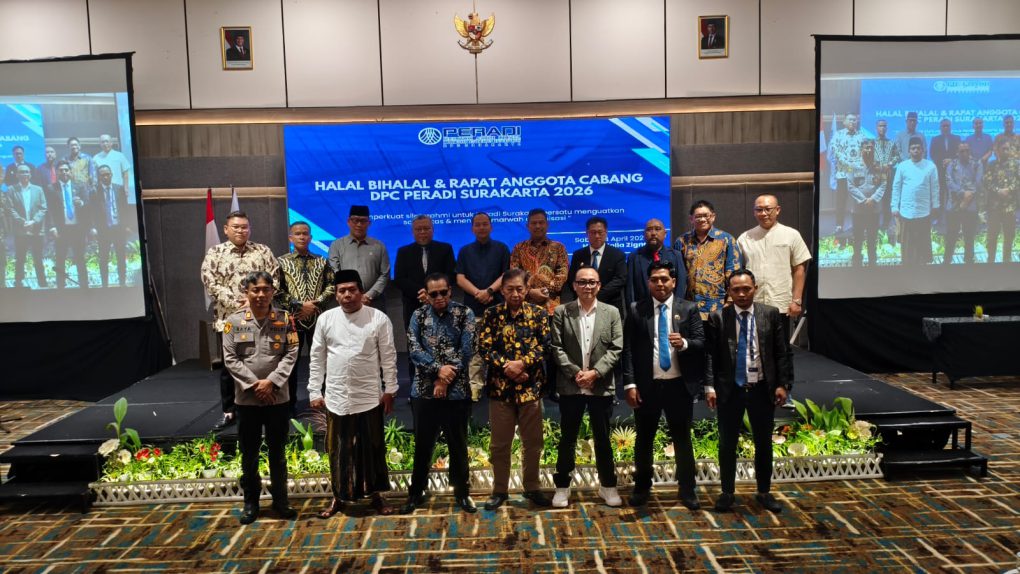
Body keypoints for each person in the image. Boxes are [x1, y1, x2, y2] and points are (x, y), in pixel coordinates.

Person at [309, 269, 399, 518]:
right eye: (342, 291)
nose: (347, 295)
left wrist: (390, 389)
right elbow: (317, 358)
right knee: (338, 450)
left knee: (372, 448)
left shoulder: (378, 318)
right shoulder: (326, 319)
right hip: (337, 396)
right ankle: (338, 497)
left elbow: (388, 356)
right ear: (336, 295)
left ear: (361, 292)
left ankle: (376, 496)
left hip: (369, 395)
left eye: (352, 290)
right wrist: (314, 390)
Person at [704, 269, 793, 514]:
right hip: (729, 390)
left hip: (762, 389)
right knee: (727, 444)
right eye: (736, 290)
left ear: (755, 288)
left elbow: (782, 352)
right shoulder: (718, 317)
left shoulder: (770, 314)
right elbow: (710, 356)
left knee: (764, 443)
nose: (742, 294)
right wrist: (709, 387)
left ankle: (764, 491)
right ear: (729, 292)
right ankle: (727, 492)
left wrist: (783, 384)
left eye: (746, 289)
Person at [623, 260, 706, 509]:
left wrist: (685, 343)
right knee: (644, 440)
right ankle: (642, 487)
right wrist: (630, 384)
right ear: (648, 282)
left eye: (664, 279)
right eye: (654, 280)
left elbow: (701, 342)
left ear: (674, 282)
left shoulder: (688, 308)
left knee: (682, 440)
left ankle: (687, 489)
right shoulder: (636, 309)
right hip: (647, 387)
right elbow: (628, 350)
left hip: (678, 386)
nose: (659, 283)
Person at [221, 271, 299, 524]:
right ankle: (251, 503)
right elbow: (230, 358)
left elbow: (292, 352)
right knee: (249, 454)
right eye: (255, 290)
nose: (261, 294)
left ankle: (281, 501)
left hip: (277, 398)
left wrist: (272, 382)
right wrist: (256, 385)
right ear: (246, 292)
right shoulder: (233, 321)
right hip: (248, 400)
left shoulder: (285, 319)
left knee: (278, 453)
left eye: (266, 289)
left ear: (273, 292)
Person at [402, 273, 477, 515]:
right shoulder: (418, 315)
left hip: (457, 391)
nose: (439, 297)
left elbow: (467, 350)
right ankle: (416, 493)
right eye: (433, 294)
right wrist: (437, 371)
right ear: (426, 294)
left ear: (450, 291)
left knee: (458, 445)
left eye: (443, 292)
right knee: (423, 445)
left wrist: (444, 379)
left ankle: (462, 493)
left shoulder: (465, 313)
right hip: (424, 391)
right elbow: (414, 349)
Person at [477, 268, 552, 510]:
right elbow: (484, 347)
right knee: (500, 444)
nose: (516, 294)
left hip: (531, 388)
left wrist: (522, 364)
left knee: (533, 443)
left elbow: (545, 345)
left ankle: (532, 487)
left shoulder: (539, 314)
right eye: (510, 289)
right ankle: (500, 490)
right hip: (500, 389)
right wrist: (507, 367)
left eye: (520, 289)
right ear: (502, 290)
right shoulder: (491, 314)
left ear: (527, 289)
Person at [550, 265, 623, 508]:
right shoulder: (562, 311)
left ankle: (608, 486)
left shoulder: (612, 312)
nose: (587, 286)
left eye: (592, 282)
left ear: (599, 285)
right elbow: (556, 347)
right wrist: (576, 373)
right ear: (574, 286)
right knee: (568, 439)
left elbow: (616, 348)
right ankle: (562, 487)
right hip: (571, 386)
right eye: (582, 282)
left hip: (600, 386)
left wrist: (596, 373)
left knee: (603, 439)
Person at [201, 210, 281, 430]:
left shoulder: (263, 251)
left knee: (264, 361)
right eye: (235, 227)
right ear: (226, 229)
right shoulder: (215, 253)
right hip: (229, 319)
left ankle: (266, 404)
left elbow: (275, 279)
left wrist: (255, 300)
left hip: (262, 319)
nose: (240, 230)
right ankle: (229, 411)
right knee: (231, 366)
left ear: (249, 229)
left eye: (244, 227)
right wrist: (239, 302)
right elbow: (210, 282)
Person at [274, 221, 335, 415]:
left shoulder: (322, 261)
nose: (302, 236)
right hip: (292, 321)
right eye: (298, 233)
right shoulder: (281, 262)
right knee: (290, 362)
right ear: (291, 238)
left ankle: (325, 400)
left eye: (305, 233)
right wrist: (299, 306)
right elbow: (277, 290)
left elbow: (332, 285)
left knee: (322, 360)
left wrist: (315, 304)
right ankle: (289, 403)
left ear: (311, 237)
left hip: (318, 319)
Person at [737, 194, 811, 337]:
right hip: (753, 302)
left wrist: (797, 301)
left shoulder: (792, 235)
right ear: (754, 212)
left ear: (777, 210)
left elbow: (799, 270)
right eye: (759, 210)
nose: (763, 213)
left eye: (768, 209)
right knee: (754, 345)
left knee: (781, 346)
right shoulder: (744, 238)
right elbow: (738, 272)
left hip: (780, 301)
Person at [456, 212, 510, 397]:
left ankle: (499, 383)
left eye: (485, 224)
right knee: (475, 350)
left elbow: (506, 275)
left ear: (491, 226)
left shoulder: (502, 248)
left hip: (497, 307)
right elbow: (460, 278)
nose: (481, 227)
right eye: (477, 224)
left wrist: (489, 291)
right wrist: (478, 293)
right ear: (472, 228)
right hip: (473, 308)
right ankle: (475, 387)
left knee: (500, 347)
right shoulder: (464, 251)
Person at [674, 200, 741, 318]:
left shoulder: (726, 240)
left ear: (713, 217)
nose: (702, 219)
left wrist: (730, 301)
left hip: (718, 306)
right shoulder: (682, 241)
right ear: (691, 219)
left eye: (706, 215)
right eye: (698, 216)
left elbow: (733, 272)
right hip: (688, 306)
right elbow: (677, 274)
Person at [394, 215, 457, 331]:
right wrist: (423, 293)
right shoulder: (403, 252)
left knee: (446, 337)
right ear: (413, 231)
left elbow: (451, 275)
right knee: (415, 338)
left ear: (433, 229)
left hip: (441, 302)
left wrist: (433, 293)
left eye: (426, 228)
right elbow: (400, 279)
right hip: (413, 304)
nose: (422, 232)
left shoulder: (445, 249)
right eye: (418, 229)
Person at [327, 205, 389, 310]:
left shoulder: (379, 246)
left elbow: (385, 274)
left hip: (374, 302)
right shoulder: (336, 245)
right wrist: (351, 294)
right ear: (348, 221)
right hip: (346, 301)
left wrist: (368, 295)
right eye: (355, 220)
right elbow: (335, 272)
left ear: (369, 223)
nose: (359, 224)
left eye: (363, 221)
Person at [509, 208, 568, 315]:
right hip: (524, 306)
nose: (537, 226)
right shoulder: (518, 248)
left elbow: (562, 275)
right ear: (527, 226)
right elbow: (514, 275)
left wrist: (544, 291)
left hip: (552, 307)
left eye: (541, 222)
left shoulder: (558, 248)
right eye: (534, 223)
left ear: (547, 224)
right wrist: (530, 292)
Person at [566, 216, 627, 318]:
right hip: (583, 306)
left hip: (610, 305)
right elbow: (572, 278)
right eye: (593, 232)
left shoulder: (617, 254)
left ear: (606, 233)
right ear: (587, 234)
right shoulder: (578, 255)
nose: (597, 236)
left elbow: (620, 279)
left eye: (600, 232)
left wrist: (595, 295)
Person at [891, 137, 940, 265]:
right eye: (913, 148)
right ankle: (908, 271)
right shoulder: (902, 166)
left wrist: (936, 205)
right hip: (906, 212)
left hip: (924, 212)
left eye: (918, 148)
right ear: (909, 151)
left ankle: (922, 272)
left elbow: (935, 188)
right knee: (907, 249)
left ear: (923, 150)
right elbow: (896, 187)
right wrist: (894, 206)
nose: (916, 151)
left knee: (922, 248)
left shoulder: (930, 166)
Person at [45, 160, 89, 288]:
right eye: (61, 170)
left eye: (66, 170)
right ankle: (61, 288)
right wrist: (52, 227)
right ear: (57, 172)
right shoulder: (51, 188)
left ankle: (84, 287)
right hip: (61, 230)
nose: (64, 172)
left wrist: (81, 203)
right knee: (60, 259)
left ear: (70, 172)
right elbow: (49, 210)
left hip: (77, 229)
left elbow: (88, 205)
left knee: (80, 258)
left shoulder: (79, 186)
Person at [91, 165, 135, 287]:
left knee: (121, 256)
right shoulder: (94, 192)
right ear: (99, 177)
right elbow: (92, 212)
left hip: (118, 228)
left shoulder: (119, 189)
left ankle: (122, 284)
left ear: (111, 175)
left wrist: (127, 226)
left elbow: (125, 209)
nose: (105, 177)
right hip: (103, 230)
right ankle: (105, 286)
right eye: (103, 175)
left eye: (107, 174)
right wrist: (93, 228)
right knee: (103, 258)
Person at [626, 218, 685, 305]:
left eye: (657, 229)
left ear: (665, 234)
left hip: (670, 308)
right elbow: (630, 289)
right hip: (643, 309)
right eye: (649, 230)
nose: (653, 233)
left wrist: (677, 308)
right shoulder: (634, 257)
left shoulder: (676, 256)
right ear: (644, 234)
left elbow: (681, 285)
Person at [8, 164, 48, 288]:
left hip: (36, 230)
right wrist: (22, 222)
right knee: (20, 259)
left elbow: (43, 208)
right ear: (17, 175)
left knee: (38, 259)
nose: (24, 174)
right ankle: (18, 285)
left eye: (27, 172)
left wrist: (33, 221)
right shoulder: (11, 189)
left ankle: (43, 285)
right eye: (22, 172)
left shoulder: (38, 189)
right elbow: (10, 208)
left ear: (30, 174)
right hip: (21, 230)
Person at [943, 142, 983, 264]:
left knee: (969, 235)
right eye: (962, 151)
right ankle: (946, 262)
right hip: (954, 205)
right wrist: (962, 193)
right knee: (951, 235)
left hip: (971, 206)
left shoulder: (977, 164)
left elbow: (978, 183)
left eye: (967, 150)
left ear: (970, 151)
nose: (965, 153)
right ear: (957, 153)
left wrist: (968, 196)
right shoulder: (952, 164)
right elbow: (949, 182)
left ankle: (969, 262)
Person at [847, 139, 885, 267]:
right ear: (861, 150)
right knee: (857, 237)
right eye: (866, 148)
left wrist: (873, 199)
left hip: (874, 209)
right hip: (858, 210)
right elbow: (850, 185)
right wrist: (864, 201)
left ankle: (872, 263)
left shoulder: (880, 166)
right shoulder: (852, 165)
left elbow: (883, 184)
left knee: (872, 237)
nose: (869, 150)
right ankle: (857, 262)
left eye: (871, 148)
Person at [828, 114, 867, 234]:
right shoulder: (838, 135)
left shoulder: (862, 136)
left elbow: (865, 153)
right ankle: (839, 225)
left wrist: (857, 167)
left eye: (854, 120)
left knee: (859, 200)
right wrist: (850, 166)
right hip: (843, 174)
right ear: (844, 122)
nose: (852, 122)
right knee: (841, 201)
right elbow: (835, 152)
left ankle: (860, 226)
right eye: (850, 119)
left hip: (858, 175)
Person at [983, 140, 1019, 264]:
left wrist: (1009, 189)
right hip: (994, 208)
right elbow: (986, 181)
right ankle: (991, 261)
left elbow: (1018, 180)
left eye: (1008, 149)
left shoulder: (1016, 164)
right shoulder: (992, 165)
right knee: (992, 236)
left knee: (1009, 236)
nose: (1006, 151)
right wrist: (998, 190)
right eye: (1003, 149)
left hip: (1010, 207)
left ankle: (1006, 261)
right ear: (997, 150)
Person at [873, 119, 901, 246]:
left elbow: (897, 156)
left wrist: (889, 164)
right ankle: (874, 227)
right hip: (875, 177)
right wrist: (877, 166)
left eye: (884, 126)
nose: (882, 128)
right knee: (875, 201)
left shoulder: (892, 143)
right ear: (876, 127)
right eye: (880, 126)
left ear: (887, 128)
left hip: (889, 176)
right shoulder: (871, 143)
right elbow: (867, 157)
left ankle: (886, 225)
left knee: (887, 201)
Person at [930, 118, 961, 215]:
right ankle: (939, 214)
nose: (946, 128)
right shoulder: (935, 139)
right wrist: (942, 162)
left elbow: (959, 153)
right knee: (940, 192)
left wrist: (951, 160)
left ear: (950, 127)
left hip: (954, 171)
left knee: (952, 192)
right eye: (944, 126)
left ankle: (952, 213)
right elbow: (932, 154)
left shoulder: (957, 138)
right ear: (940, 127)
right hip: (940, 170)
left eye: (947, 126)